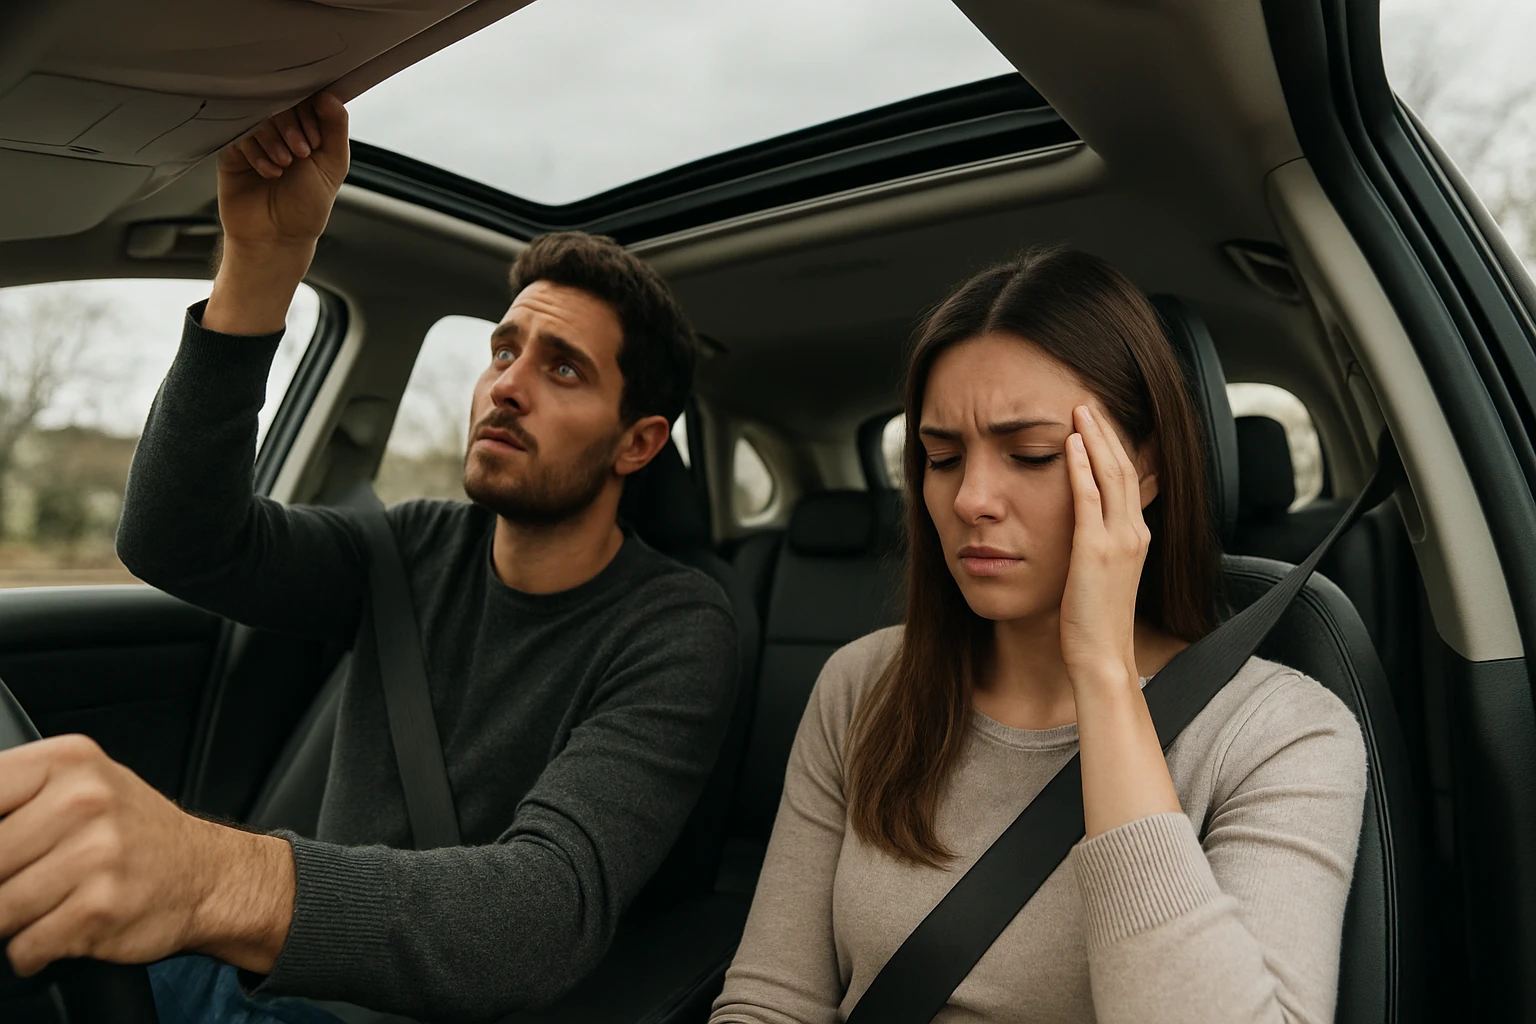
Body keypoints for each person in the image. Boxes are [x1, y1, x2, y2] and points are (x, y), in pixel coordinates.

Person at [0, 92, 739, 1024]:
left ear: (638, 445)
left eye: (562, 369)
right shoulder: (413, 544)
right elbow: (175, 540)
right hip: (270, 982)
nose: (506, 384)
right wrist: (263, 267)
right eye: (504, 349)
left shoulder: (678, 626)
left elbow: (544, 911)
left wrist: (201, 876)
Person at [710, 247, 1367, 1024]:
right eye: (941, 457)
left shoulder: (1283, 734)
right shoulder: (860, 688)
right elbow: (771, 999)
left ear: (1144, 470)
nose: (971, 499)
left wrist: (1104, 676)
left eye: (1031, 454)